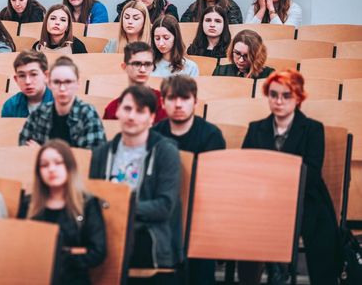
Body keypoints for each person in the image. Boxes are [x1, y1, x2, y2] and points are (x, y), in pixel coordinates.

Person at [239, 70, 341, 285]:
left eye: (286, 96)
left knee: (320, 229)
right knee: (245, 220)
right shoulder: (256, 128)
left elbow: (311, 173)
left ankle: (280, 266)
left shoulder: (313, 129)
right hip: (263, 199)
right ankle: (269, 269)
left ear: (298, 98)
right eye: (273, 95)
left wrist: (272, 175)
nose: (279, 101)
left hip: (303, 198)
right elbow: (247, 168)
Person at [90, 85, 182, 282]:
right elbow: (93, 198)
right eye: (127, 109)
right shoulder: (102, 153)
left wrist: (123, 208)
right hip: (106, 230)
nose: (131, 116)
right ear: (117, 112)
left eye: (140, 111)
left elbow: (165, 206)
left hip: (147, 233)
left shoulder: (166, 152)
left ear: (151, 118)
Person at [153, 75, 224, 285]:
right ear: (162, 102)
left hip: (200, 215)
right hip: (164, 213)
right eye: (172, 98)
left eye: (184, 98)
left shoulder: (211, 135)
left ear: (195, 101)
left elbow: (213, 185)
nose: (178, 104)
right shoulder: (155, 135)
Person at [26, 139, 107, 284]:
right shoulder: (28, 204)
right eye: (44, 165)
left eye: (58, 163)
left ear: (69, 167)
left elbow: (97, 252)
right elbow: (22, 249)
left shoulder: (87, 204)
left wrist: (60, 255)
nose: (51, 169)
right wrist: (72, 251)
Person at [19, 56, 106, 149]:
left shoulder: (88, 113)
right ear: (49, 84)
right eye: (56, 82)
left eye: (68, 82)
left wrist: (41, 150)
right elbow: (24, 151)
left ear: (77, 83)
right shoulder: (38, 114)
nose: (62, 88)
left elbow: (92, 155)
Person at [103, 42, 168, 124]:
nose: (142, 70)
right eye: (136, 64)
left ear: (152, 67)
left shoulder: (163, 103)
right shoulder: (112, 109)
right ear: (124, 67)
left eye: (148, 64)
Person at [1, 50, 53, 117]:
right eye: (22, 76)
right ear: (16, 79)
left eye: (33, 74)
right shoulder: (10, 106)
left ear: (46, 76)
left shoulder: (62, 101)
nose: (27, 81)